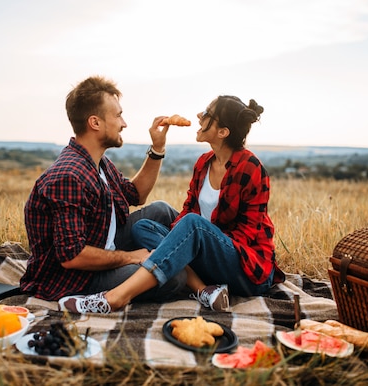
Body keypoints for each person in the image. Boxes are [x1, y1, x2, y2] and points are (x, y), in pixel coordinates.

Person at [59, 95, 285, 314]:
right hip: (208, 257)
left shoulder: (251, 167)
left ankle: (116, 297)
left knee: (193, 225)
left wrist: (199, 244)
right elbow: (188, 208)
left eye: (207, 113)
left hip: (245, 268)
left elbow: (249, 232)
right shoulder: (204, 163)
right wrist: (180, 243)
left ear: (223, 132)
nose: (199, 115)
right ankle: (203, 290)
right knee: (144, 227)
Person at [20, 75, 187, 303]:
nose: (124, 123)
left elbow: (136, 195)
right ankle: (195, 274)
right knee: (174, 277)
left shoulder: (99, 162)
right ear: (95, 123)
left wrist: (157, 148)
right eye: (118, 115)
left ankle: (200, 261)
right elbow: (72, 257)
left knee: (161, 210)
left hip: (102, 243)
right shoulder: (69, 176)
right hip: (76, 278)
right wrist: (130, 257)